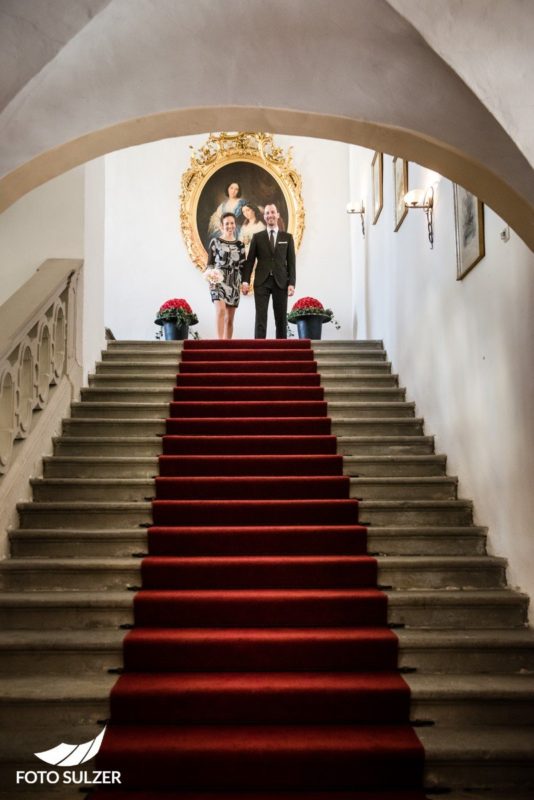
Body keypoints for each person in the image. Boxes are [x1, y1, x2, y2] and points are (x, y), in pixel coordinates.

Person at [242, 203, 295, 339]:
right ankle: (258, 353)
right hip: (261, 282)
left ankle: (282, 353)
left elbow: (291, 263)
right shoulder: (257, 237)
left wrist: (292, 283)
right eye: (267, 213)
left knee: (281, 319)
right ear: (264, 216)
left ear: (277, 215)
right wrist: (245, 281)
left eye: (272, 212)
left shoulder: (287, 238)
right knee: (260, 319)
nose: (270, 215)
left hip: (281, 282)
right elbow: (250, 261)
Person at [206, 212, 246, 339]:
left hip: (234, 282)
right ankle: (219, 345)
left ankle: (227, 348)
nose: (230, 225)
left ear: (235, 225)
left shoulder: (240, 245)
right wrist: (210, 280)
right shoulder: (215, 242)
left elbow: (243, 266)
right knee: (221, 311)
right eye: (227, 223)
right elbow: (210, 264)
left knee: (229, 319)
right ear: (222, 226)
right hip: (217, 281)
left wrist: (245, 283)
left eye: (232, 223)